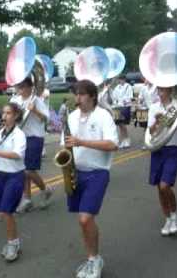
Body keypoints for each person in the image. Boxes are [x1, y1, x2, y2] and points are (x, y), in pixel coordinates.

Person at [63, 80, 118, 278]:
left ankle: (95, 260)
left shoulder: (103, 116)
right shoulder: (72, 117)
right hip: (76, 172)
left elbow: (112, 144)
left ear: (92, 96)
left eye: (81, 94)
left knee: (85, 218)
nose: (77, 98)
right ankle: (91, 258)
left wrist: (82, 142)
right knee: (83, 222)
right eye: (76, 94)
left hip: (98, 172)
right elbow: (66, 145)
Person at [0, 102, 26, 262]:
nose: (4, 116)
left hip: (15, 175)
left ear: (15, 116)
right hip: (1, 175)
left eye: (8, 113)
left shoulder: (19, 134)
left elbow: (17, 154)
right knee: (3, 211)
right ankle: (12, 240)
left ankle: (13, 243)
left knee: (6, 211)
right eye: (4, 113)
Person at [10, 77, 53, 213]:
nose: (20, 89)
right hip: (19, 137)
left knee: (29, 170)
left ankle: (45, 189)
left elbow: (46, 119)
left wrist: (34, 110)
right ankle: (27, 199)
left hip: (34, 136)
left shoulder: (37, 100)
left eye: (23, 87)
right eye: (18, 86)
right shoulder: (14, 101)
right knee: (22, 171)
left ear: (30, 87)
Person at [147, 87, 177, 236]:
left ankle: (175, 215)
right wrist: (156, 122)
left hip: (173, 147)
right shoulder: (154, 107)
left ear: (169, 91)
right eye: (159, 91)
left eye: (163, 91)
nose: (160, 94)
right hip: (158, 148)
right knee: (159, 188)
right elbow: (150, 131)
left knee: (164, 186)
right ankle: (167, 218)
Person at [111, 76, 134, 148]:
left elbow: (130, 97)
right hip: (118, 107)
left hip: (125, 107)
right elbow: (114, 97)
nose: (120, 81)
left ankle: (127, 139)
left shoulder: (128, 86)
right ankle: (123, 140)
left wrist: (124, 101)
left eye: (121, 80)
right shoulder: (117, 87)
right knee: (119, 125)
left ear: (124, 80)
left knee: (123, 124)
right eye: (119, 80)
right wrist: (115, 102)